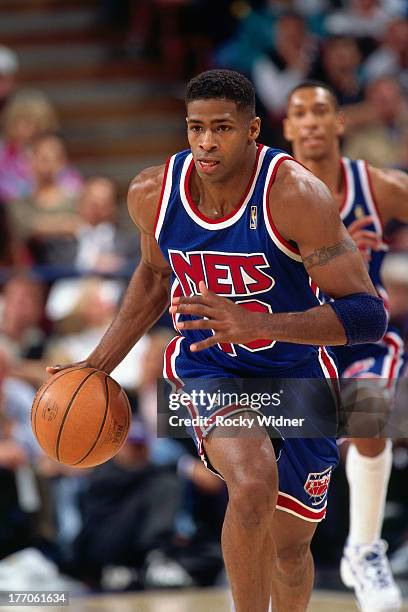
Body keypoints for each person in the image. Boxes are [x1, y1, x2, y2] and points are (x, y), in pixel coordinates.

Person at [47, 70, 387, 612]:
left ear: (253, 130)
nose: (206, 142)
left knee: (291, 549)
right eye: (196, 128)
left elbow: (368, 315)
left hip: (297, 372)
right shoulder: (152, 194)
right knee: (252, 483)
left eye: (222, 128)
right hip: (209, 370)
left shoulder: (296, 195)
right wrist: (96, 365)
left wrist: (260, 324)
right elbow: (155, 276)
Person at [283, 79, 408, 612]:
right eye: (299, 113)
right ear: (286, 128)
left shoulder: (377, 186)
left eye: (321, 111)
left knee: (369, 415)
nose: (311, 120)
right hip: (295, 339)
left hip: (363, 333)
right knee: (276, 481)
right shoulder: (265, 192)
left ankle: (364, 548)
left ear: (339, 124)